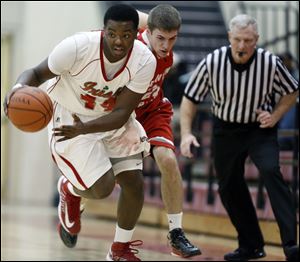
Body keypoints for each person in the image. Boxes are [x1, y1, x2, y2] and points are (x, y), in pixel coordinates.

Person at [4, 4, 156, 261]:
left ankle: (119, 251)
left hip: (108, 119)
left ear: (135, 34)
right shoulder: (76, 47)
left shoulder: (144, 60)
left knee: (134, 182)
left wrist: (85, 128)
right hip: (69, 115)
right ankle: (71, 190)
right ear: (103, 30)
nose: (118, 40)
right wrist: (17, 89)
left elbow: (121, 114)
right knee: (102, 188)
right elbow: (36, 73)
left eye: (126, 35)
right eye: (112, 33)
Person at [180, 14, 299, 261]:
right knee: (228, 186)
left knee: (271, 172)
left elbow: (292, 91)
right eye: (237, 40)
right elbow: (190, 98)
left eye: (248, 40)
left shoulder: (269, 62)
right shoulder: (212, 62)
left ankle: (291, 245)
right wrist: (187, 133)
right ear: (229, 38)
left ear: (257, 40)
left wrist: (275, 116)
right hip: (225, 130)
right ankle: (251, 245)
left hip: (259, 129)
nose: (242, 46)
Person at [114, 4, 201, 258]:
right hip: (123, 115)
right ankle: (75, 195)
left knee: (169, 160)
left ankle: (176, 234)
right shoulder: (128, 48)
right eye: (161, 38)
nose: (166, 45)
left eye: (172, 39)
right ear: (148, 32)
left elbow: (151, 20)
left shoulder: (166, 53)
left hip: (153, 111)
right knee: (106, 182)